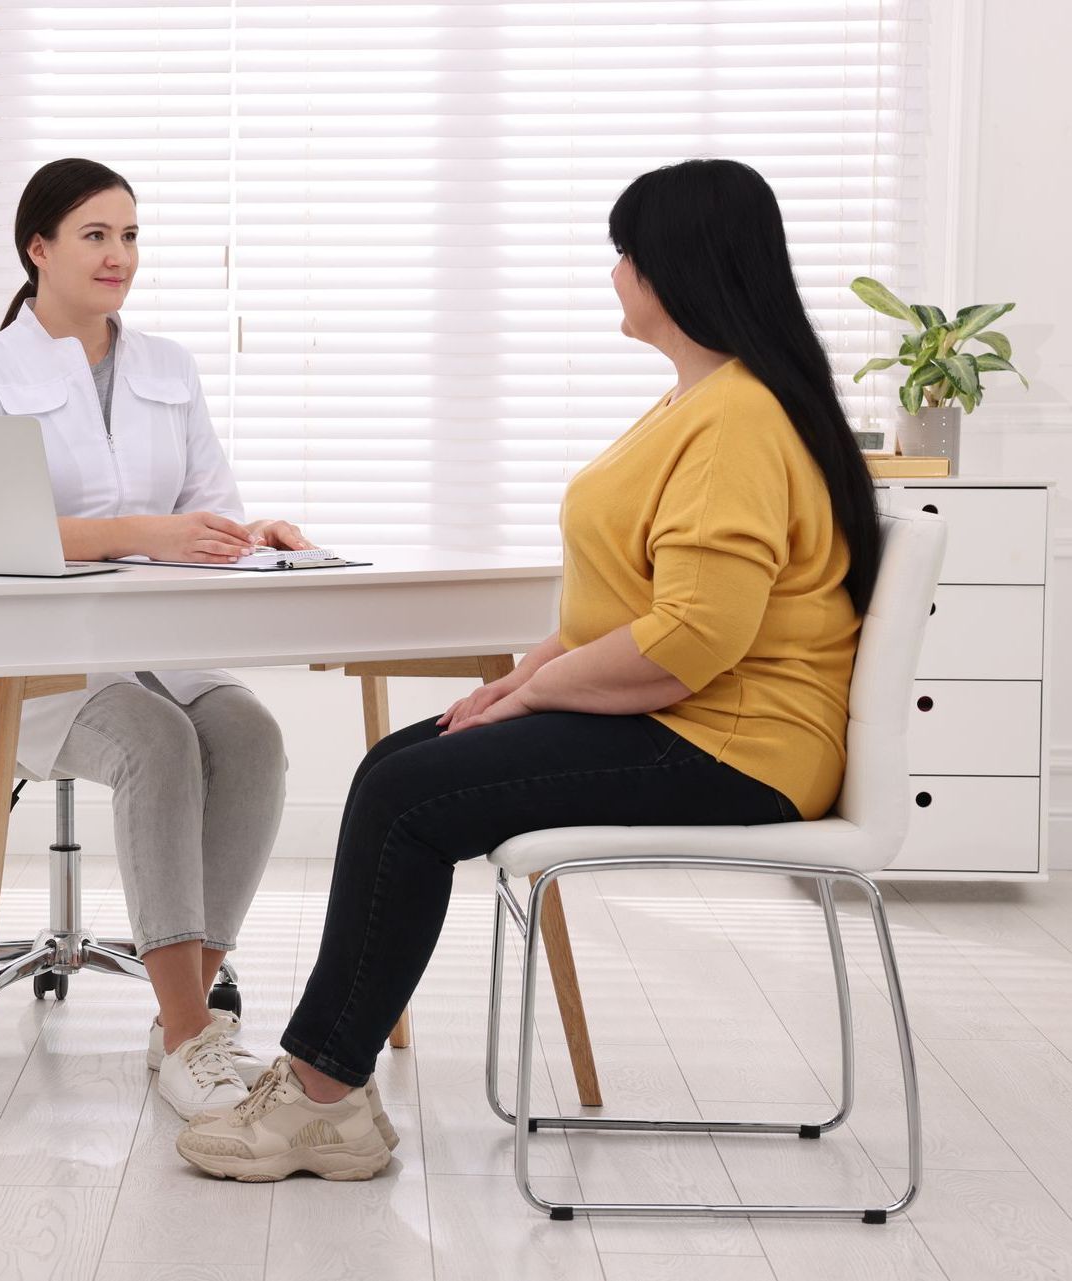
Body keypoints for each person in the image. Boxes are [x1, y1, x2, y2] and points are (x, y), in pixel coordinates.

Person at [175, 158, 882, 1183]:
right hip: (692, 722)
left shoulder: (739, 421)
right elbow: (636, 599)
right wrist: (519, 679)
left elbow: (691, 642)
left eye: (624, 253)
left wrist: (537, 690)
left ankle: (322, 1097)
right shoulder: (705, 403)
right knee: (394, 772)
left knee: (411, 794)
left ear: (673, 268)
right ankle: (331, 1093)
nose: (614, 275)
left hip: (735, 744)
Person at [0, 157, 312, 1119]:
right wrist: (145, 532)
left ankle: (183, 1014)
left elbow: (207, 506)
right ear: (39, 249)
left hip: (158, 641)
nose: (120, 256)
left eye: (131, 235)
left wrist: (249, 534)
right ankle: (191, 1029)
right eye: (96, 235)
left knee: (251, 736)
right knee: (158, 738)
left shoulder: (167, 366)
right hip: (31, 663)